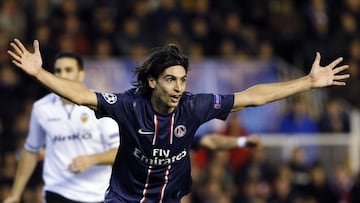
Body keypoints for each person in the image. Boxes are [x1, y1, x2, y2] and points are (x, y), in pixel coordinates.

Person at [7, 38, 349, 202]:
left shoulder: (194, 106)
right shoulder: (129, 106)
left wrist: (307, 82)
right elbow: (81, 95)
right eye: (171, 79)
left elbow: (251, 97)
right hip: (123, 199)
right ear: (153, 81)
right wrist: (39, 73)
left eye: (183, 80)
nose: (179, 87)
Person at [3, 51, 120, 203]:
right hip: (57, 192)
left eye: (68, 70)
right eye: (58, 70)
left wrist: (93, 159)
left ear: (81, 74)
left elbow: (119, 151)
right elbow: (31, 151)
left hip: (97, 194)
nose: (62, 74)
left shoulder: (100, 104)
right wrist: (15, 194)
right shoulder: (41, 108)